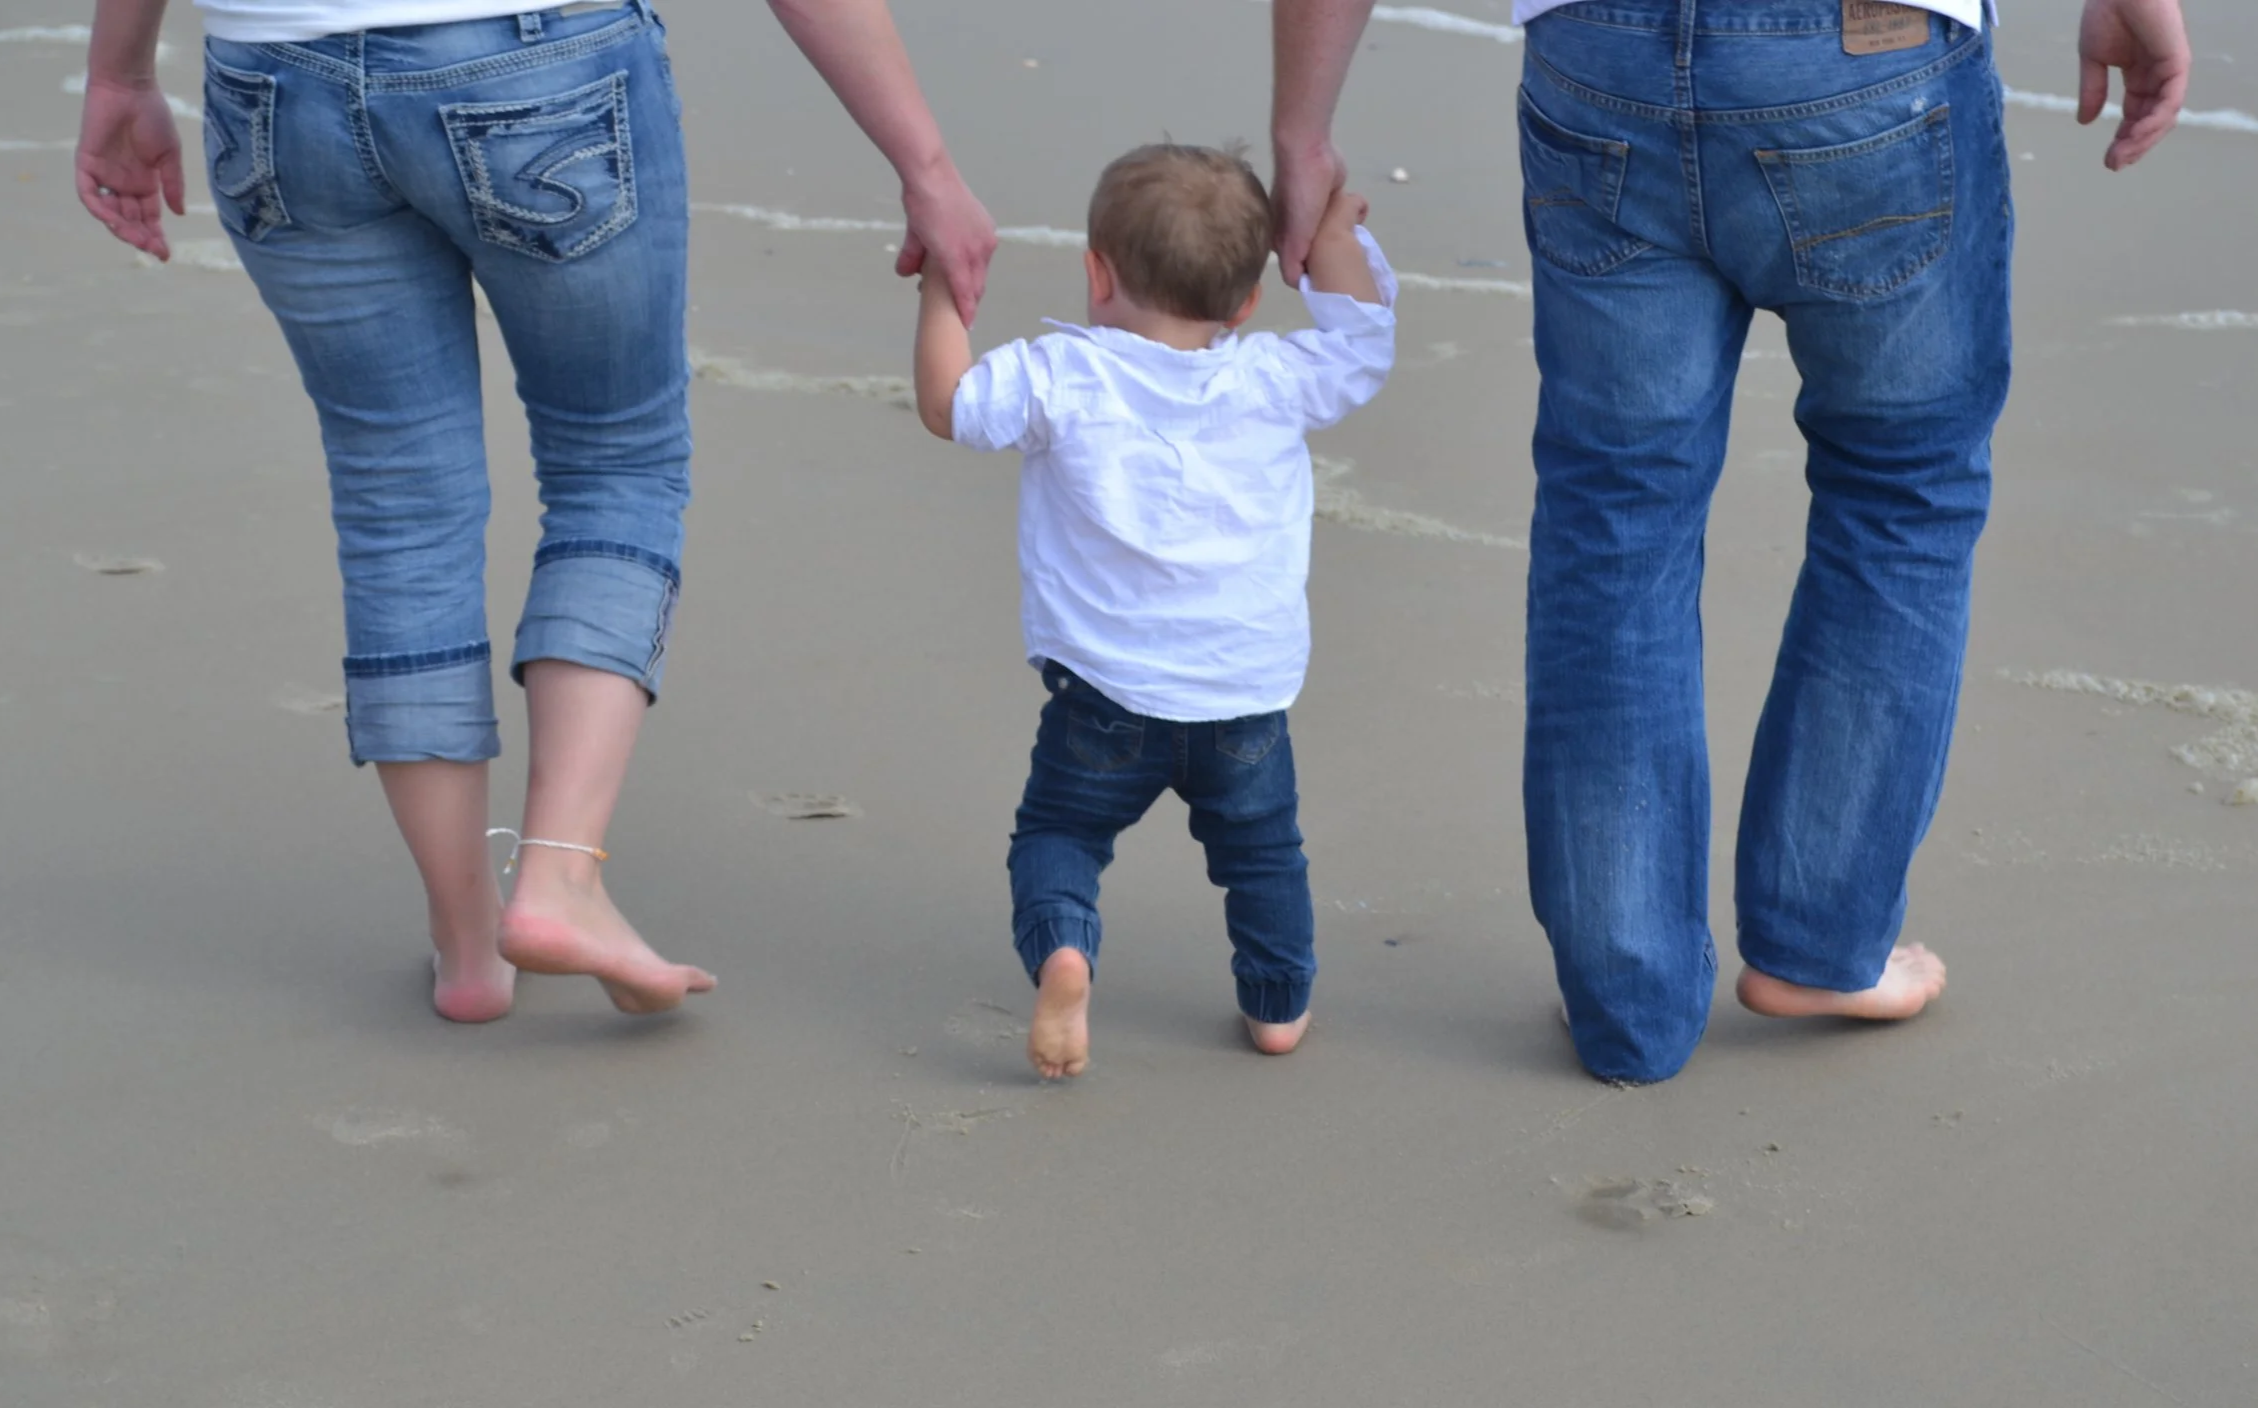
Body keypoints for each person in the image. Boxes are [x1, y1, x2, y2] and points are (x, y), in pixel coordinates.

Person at [1271, 0, 2190, 1083]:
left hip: (1598, 45)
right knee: (1899, 490)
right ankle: (1820, 938)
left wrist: (1302, 123)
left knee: (1613, 514)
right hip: (1865, 56)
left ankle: (1624, 995)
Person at [76, 0, 996, 1021]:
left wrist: (117, 77)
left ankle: (467, 945)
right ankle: (556, 878)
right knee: (615, 460)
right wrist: (926, 165)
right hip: (534, 60)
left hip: (275, 80)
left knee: (395, 500)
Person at [913, 145, 1396, 1078]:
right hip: (1244, 697)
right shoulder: (1272, 377)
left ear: (1097, 272)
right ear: (1248, 302)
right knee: (1263, 857)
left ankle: (1064, 952)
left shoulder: (1063, 374)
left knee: (1060, 835)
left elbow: (950, 405)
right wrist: (1334, 236)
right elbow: (1361, 343)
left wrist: (942, 286)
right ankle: (1278, 1006)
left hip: (1102, 697)